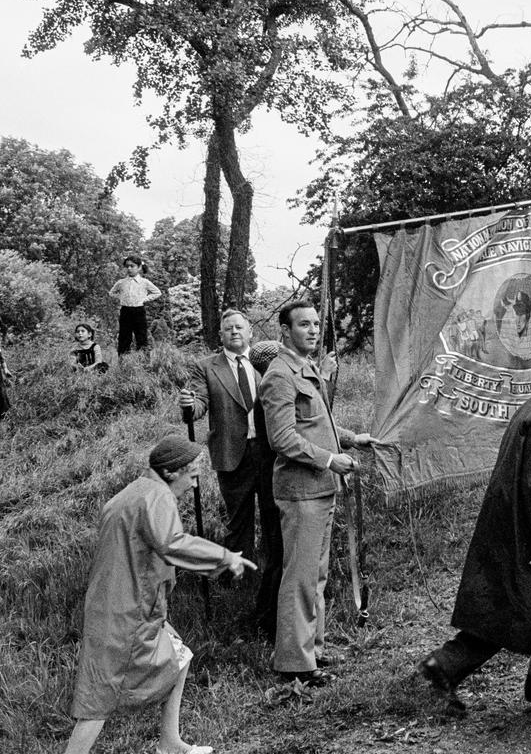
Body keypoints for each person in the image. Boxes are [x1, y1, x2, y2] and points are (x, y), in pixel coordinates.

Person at [416, 346, 531, 709]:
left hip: (519, 530)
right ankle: (450, 666)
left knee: (517, 609)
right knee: (525, 611)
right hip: (528, 536)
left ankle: (453, 666)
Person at [63, 435, 256, 754]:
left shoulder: (132, 493)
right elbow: (173, 544)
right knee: (97, 700)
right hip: (125, 614)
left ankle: (170, 743)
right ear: (170, 473)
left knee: (179, 657)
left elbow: (142, 558)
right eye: (192, 475)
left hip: (123, 606)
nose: (194, 483)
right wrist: (225, 557)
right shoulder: (157, 497)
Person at [260, 300, 378, 686]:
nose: (312, 331)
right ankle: (294, 664)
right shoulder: (279, 375)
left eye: (315, 324)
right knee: (300, 578)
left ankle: (314, 653)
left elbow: (316, 422)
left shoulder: (307, 368)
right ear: (284, 332)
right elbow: (282, 439)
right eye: (303, 325)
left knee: (317, 576)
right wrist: (330, 459)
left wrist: (350, 438)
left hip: (322, 489)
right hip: (301, 492)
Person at [178, 309, 280, 636]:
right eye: (227, 328)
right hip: (231, 454)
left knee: (272, 516)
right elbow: (198, 406)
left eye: (240, 327)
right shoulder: (207, 367)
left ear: (250, 332)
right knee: (238, 520)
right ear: (220, 335)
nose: (234, 331)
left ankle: (271, 577)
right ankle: (239, 579)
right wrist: (188, 405)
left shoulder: (268, 360)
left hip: (267, 452)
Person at [109, 254, 161, 356]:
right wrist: (121, 298)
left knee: (141, 337)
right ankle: (123, 363)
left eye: (132, 266)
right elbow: (111, 293)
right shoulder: (121, 282)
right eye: (127, 266)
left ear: (139, 267)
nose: (129, 268)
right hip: (125, 311)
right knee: (124, 338)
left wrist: (144, 299)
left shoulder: (144, 282)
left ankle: (144, 363)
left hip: (139, 311)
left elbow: (157, 292)